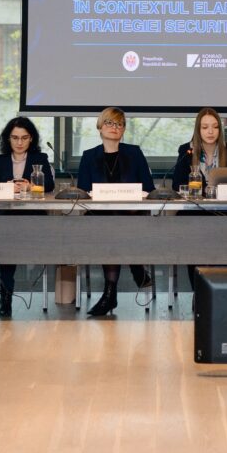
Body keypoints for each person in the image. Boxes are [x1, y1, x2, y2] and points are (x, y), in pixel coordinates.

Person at [77, 107, 156, 316]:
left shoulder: (134, 153)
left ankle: (109, 295)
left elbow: (149, 188)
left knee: (114, 224)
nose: (115, 127)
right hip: (100, 219)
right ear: (100, 127)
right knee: (110, 223)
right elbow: (82, 191)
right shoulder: (89, 156)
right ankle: (135, 265)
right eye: (110, 123)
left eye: (119, 124)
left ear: (124, 129)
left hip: (133, 216)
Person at [0, 117, 54, 318]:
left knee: (7, 239)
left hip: (33, 218)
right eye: (15, 138)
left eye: (24, 138)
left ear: (31, 139)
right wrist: (6, 187)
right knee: (6, 239)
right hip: (7, 217)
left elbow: (49, 186)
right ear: (8, 139)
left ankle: (4, 295)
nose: (19, 142)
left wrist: (30, 186)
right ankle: (6, 298)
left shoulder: (40, 158)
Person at [171, 108, 227, 288]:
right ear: (198, 130)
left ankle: (220, 292)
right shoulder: (186, 151)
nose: (210, 132)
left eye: (214, 127)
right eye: (205, 127)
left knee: (226, 241)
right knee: (194, 242)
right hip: (193, 215)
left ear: (220, 129)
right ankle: (199, 293)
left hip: (224, 214)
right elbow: (177, 184)